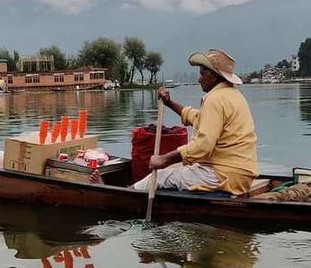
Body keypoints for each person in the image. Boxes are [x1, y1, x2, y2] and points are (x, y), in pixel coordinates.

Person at [93, 49, 259, 196]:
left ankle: (119, 196)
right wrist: (169, 103)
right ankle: (130, 191)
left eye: (202, 74)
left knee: (160, 176)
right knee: (170, 170)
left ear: (214, 76)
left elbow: (203, 145)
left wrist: (164, 159)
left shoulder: (215, 98)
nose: (199, 79)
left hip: (223, 174)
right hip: (240, 174)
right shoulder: (233, 96)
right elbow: (197, 118)